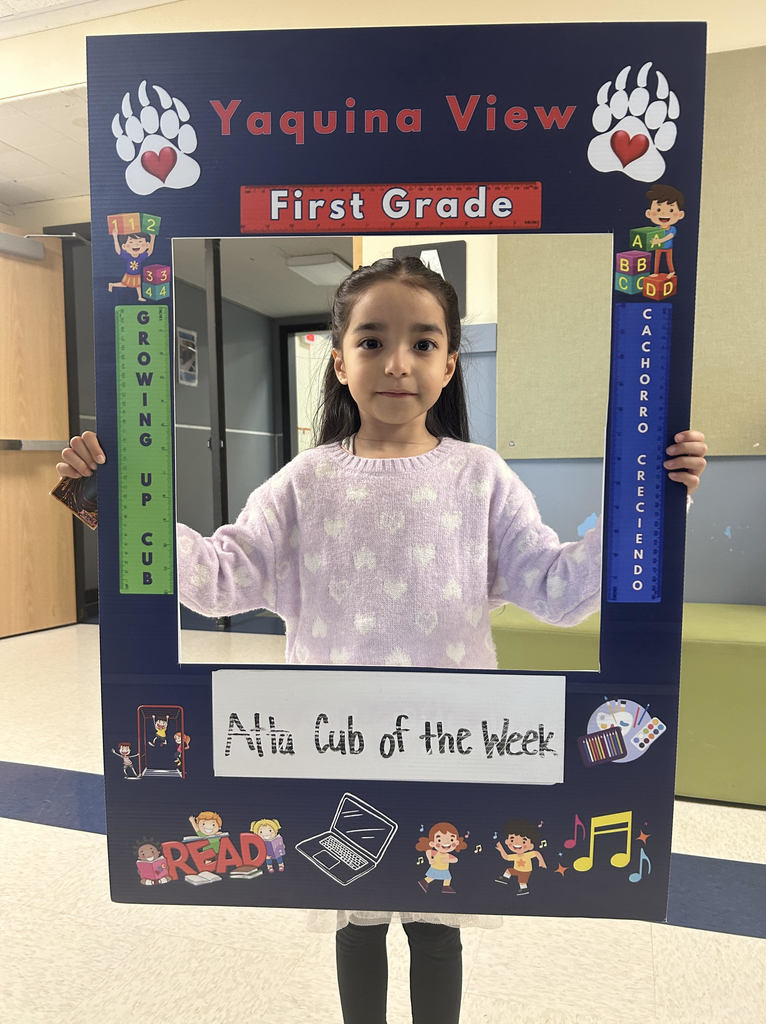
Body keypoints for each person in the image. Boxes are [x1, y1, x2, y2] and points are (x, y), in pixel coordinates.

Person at [57, 257, 707, 1023]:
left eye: (423, 343)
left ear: (450, 362)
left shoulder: (481, 478)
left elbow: (559, 589)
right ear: (339, 360)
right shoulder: (305, 481)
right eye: (372, 341)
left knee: (437, 923)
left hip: (452, 753)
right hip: (336, 750)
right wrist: (114, 504)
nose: (398, 363)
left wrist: (653, 504)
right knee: (356, 922)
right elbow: (222, 577)